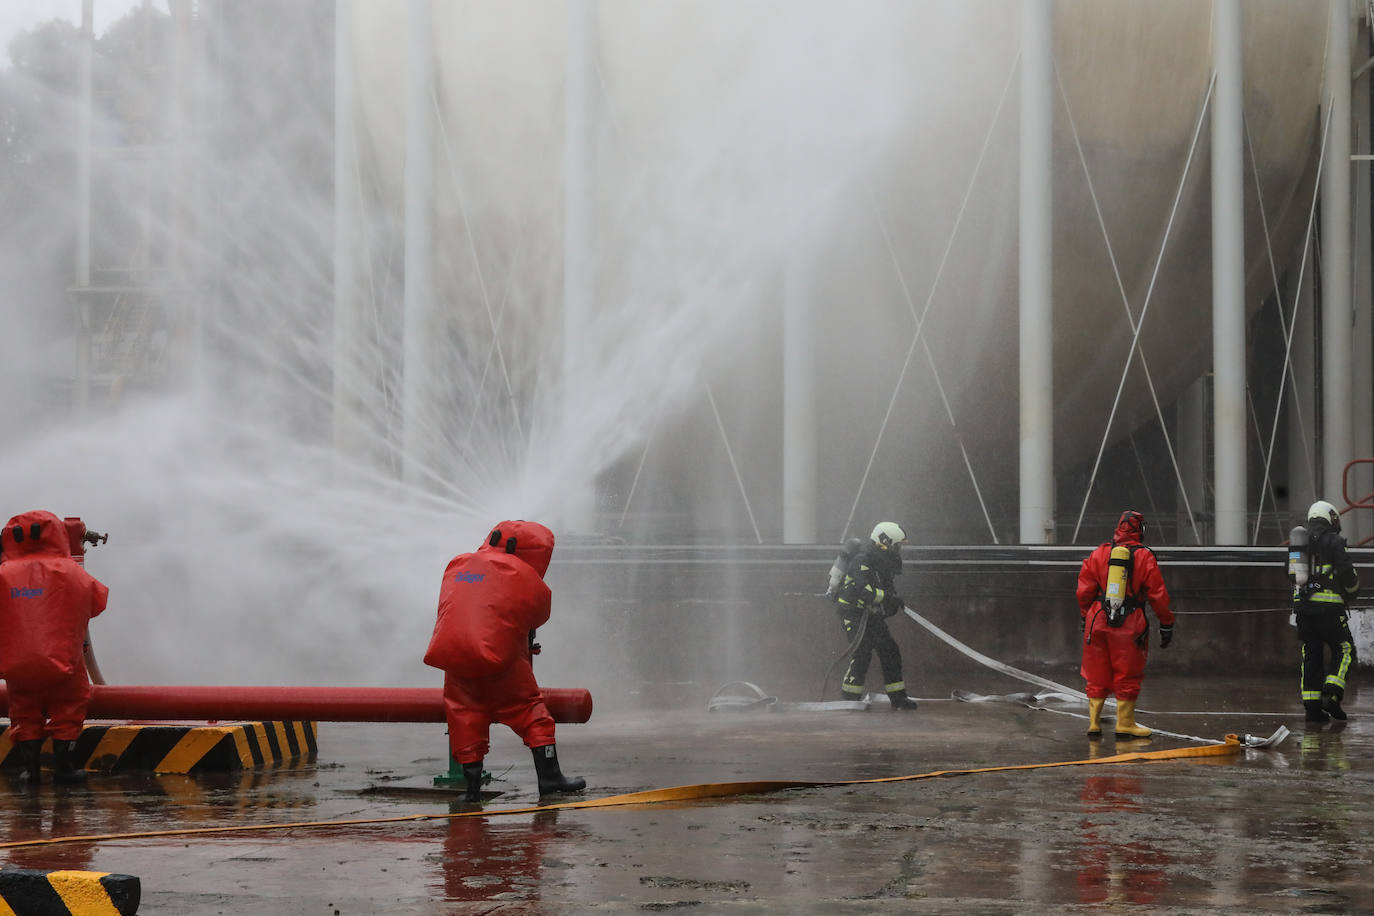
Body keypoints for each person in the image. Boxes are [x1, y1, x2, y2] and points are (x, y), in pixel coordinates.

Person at [423, 519, 585, 802]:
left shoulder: (458, 565)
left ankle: (472, 791)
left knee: (465, 717)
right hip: (502, 664)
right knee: (532, 714)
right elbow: (539, 614)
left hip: (456, 663)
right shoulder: (522, 573)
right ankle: (550, 779)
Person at [0, 510, 109, 784]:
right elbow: (97, 601)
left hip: (17, 668)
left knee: (23, 713)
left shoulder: (3, 574)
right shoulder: (70, 572)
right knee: (68, 709)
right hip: (64, 665)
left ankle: (30, 770)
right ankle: (65, 768)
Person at [1076, 510, 1174, 739]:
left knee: (1096, 672)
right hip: (1129, 623)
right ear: (1141, 531)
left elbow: (1084, 590)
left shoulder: (1099, 553)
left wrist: (1085, 616)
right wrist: (1166, 623)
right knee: (1127, 673)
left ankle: (1093, 723)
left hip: (1097, 619)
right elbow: (1158, 594)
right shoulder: (1144, 556)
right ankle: (1125, 724)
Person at [834, 521, 917, 711]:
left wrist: (892, 603)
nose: (898, 551)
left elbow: (886, 596)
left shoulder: (884, 566)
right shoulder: (861, 561)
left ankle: (898, 698)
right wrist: (888, 599)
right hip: (853, 613)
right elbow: (866, 592)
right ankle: (849, 699)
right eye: (896, 546)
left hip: (870, 614)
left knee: (890, 651)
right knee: (862, 652)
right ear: (885, 543)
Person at [1292, 500, 1359, 722]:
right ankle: (1332, 696)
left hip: (1303, 612)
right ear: (1329, 517)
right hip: (1330, 611)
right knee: (1345, 649)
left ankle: (1312, 708)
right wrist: (1352, 590)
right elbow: (1347, 572)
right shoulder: (1335, 541)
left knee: (1311, 655)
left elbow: (1291, 574)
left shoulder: (1299, 543)